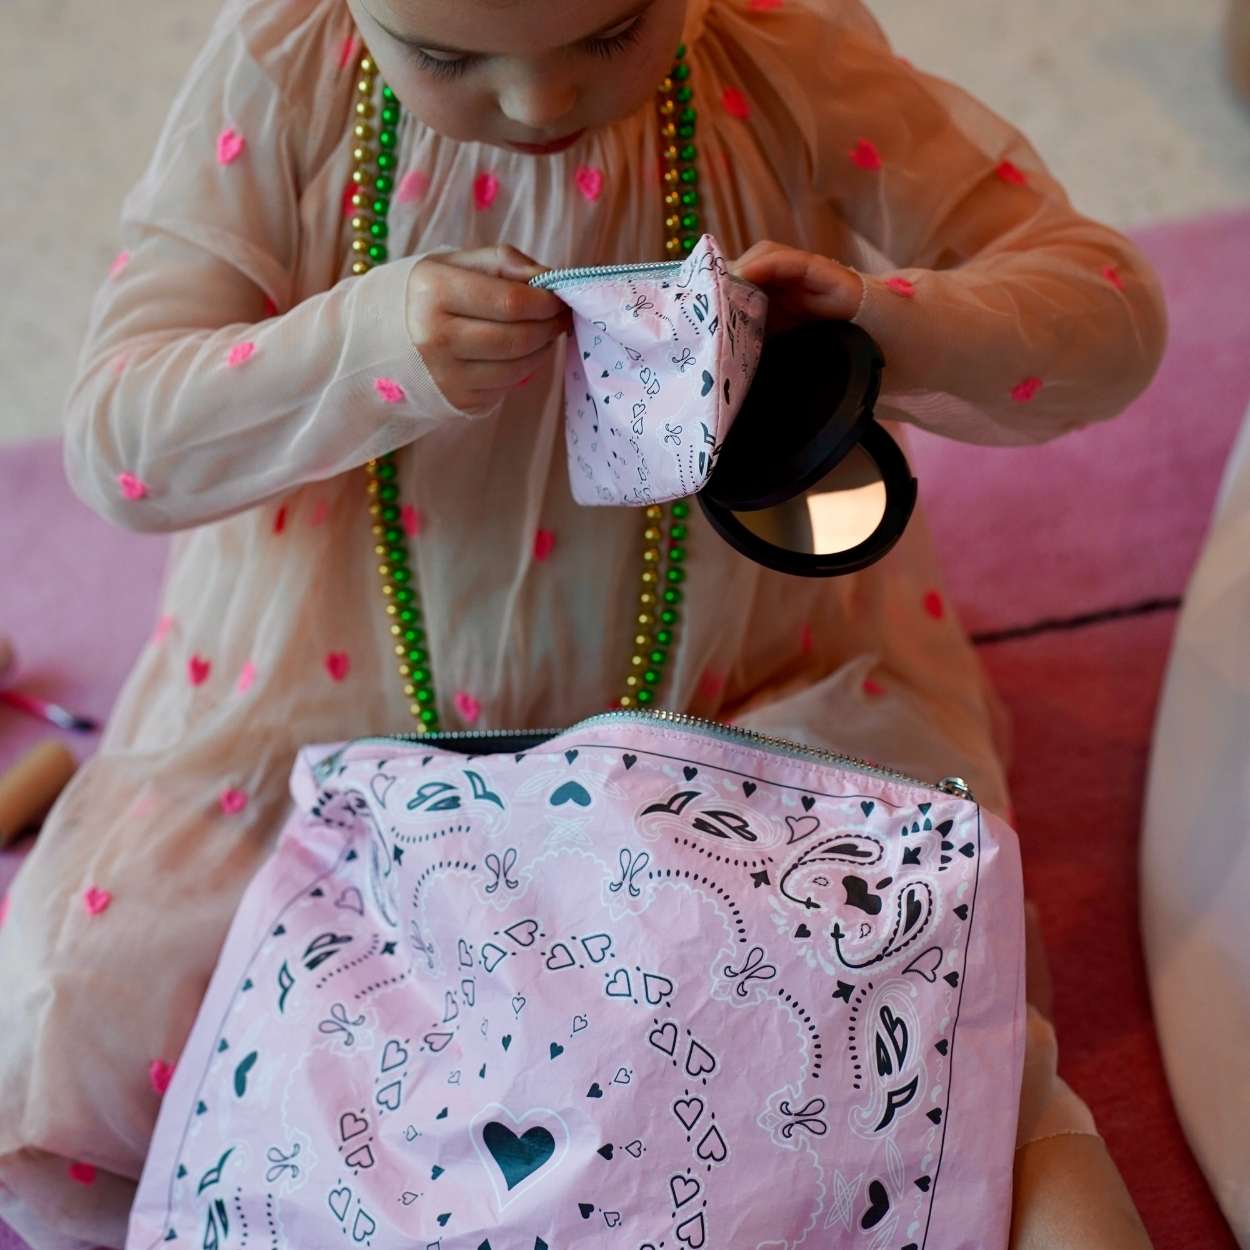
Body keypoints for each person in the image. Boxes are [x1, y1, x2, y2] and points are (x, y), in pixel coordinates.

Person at [0, 0, 1166, 1245]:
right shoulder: (284, 79)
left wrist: (882, 317)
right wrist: (362, 345)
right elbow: (123, 448)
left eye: (609, 34)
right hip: (338, 719)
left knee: (917, 1032)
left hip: (744, 699)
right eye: (446, 57)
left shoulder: (780, 57)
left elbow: (1105, 317)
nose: (537, 103)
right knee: (89, 1024)